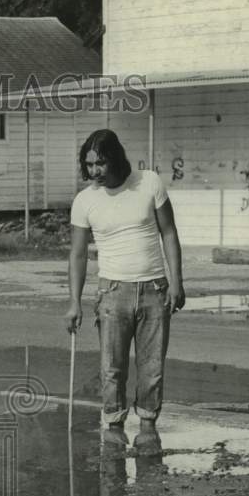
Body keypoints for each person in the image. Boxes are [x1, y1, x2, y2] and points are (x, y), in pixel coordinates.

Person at [65, 129, 185, 449]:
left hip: (155, 288)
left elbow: (169, 233)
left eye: (101, 163)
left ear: (116, 158)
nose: (95, 171)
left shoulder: (149, 183)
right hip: (112, 291)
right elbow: (77, 255)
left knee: (152, 366)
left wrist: (177, 282)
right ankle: (114, 424)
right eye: (89, 165)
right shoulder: (85, 200)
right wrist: (74, 302)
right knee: (112, 367)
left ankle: (147, 424)